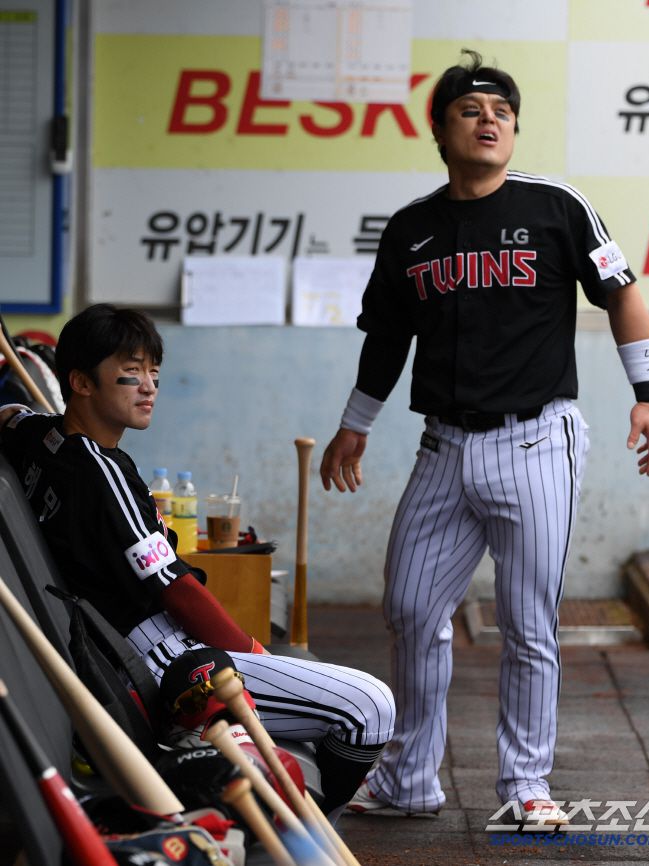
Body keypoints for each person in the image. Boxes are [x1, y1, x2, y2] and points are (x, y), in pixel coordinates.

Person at [319, 49, 649, 823]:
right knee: (410, 606)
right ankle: (410, 781)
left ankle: (525, 788)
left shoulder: (556, 207)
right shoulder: (411, 229)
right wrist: (354, 425)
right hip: (442, 447)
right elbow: (386, 340)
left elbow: (623, 293)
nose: (489, 121)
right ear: (439, 129)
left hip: (538, 442)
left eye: (503, 112)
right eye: (471, 109)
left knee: (527, 622)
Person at [0, 303, 395, 824]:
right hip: (165, 667)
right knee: (370, 707)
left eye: (154, 375)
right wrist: (257, 653)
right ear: (81, 382)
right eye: (130, 373)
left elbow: (12, 415)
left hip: (128, 652)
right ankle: (304, 828)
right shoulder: (101, 470)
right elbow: (177, 590)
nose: (148, 388)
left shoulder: (40, 439)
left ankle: (283, 804)